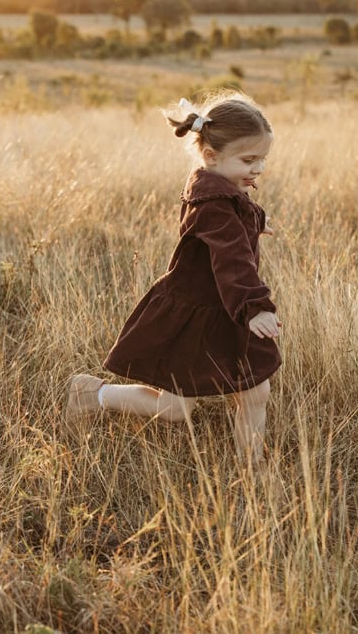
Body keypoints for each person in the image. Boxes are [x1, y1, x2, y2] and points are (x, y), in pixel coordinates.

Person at [66, 93, 283, 465]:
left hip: (221, 311)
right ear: (212, 156)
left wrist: (253, 225)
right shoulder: (214, 204)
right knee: (175, 408)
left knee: (253, 391)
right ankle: (93, 394)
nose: (258, 168)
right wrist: (255, 308)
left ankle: (253, 470)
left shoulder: (220, 189)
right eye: (249, 160)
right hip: (201, 315)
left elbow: (229, 238)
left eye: (262, 159)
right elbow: (233, 262)